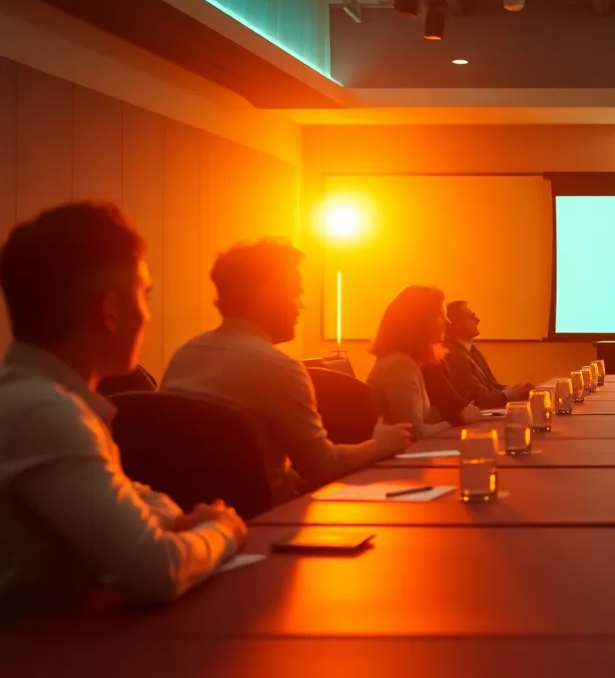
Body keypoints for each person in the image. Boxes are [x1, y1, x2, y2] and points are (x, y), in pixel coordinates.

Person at [0, 202, 246, 625]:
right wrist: (222, 529)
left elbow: (132, 500)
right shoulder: (45, 413)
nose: (147, 315)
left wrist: (173, 519)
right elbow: (154, 571)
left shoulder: (36, 398)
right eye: (145, 295)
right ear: (111, 311)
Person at [161, 240, 411, 504]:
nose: (301, 306)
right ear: (267, 295)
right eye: (295, 293)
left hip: (194, 516)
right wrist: (380, 445)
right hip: (269, 517)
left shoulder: (184, 355)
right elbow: (322, 466)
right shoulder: (280, 369)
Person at [366, 286, 480, 439]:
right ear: (421, 320)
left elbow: (427, 417)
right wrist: (455, 421)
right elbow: (414, 432)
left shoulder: (407, 362)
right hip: (398, 454)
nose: (447, 322)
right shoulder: (399, 365)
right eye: (441, 315)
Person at [440, 300, 532, 409]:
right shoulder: (454, 356)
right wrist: (515, 394)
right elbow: (480, 399)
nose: (478, 320)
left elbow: (493, 386)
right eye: (471, 316)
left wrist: (514, 389)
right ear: (455, 324)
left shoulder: (472, 350)